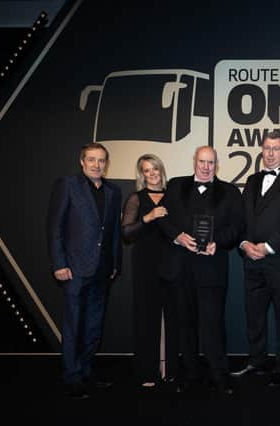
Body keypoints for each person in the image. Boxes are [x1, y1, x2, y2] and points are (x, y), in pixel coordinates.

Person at [157, 146, 243, 396]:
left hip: (213, 268)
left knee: (213, 324)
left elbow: (238, 226)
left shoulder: (230, 191)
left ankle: (219, 374)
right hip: (181, 268)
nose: (206, 167)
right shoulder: (175, 185)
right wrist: (177, 237)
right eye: (202, 161)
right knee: (186, 323)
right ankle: (191, 374)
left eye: (211, 163)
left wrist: (220, 242)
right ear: (194, 161)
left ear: (217, 165)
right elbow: (162, 217)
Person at [232, 131, 280, 386]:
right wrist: (244, 244)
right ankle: (257, 360)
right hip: (252, 261)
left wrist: (267, 247)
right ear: (262, 151)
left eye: (276, 148)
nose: (271, 153)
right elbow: (242, 219)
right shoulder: (252, 180)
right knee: (254, 316)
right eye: (267, 148)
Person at [47, 143, 122, 399]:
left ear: (106, 163)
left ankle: (86, 372)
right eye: (91, 159)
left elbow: (112, 233)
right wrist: (59, 264)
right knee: (73, 326)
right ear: (82, 161)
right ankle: (71, 376)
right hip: (75, 270)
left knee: (93, 327)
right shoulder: (67, 185)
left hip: (102, 270)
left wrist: (114, 264)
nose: (96, 164)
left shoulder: (113, 191)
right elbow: (55, 228)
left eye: (101, 160)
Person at [121, 154, 178, 388]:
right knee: (147, 318)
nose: (152, 173)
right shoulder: (136, 198)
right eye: (146, 170)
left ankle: (171, 369)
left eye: (155, 168)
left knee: (174, 318)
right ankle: (148, 372)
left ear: (161, 169)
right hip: (145, 264)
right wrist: (149, 217)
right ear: (141, 174)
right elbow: (126, 233)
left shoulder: (173, 195)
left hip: (173, 263)